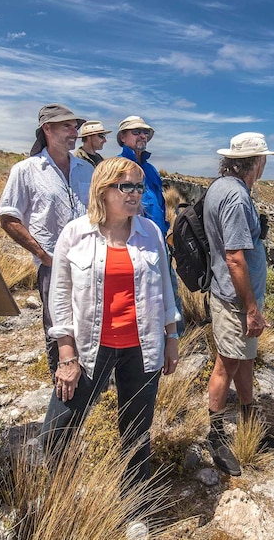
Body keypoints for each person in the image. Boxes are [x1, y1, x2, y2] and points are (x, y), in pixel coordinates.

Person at [40, 157, 180, 490]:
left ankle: (134, 505)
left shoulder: (151, 233)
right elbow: (59, 298)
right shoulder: (75, 234)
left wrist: (171, 336)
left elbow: (165, 288)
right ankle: (59, 494)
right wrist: (66, 355)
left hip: (141, 347)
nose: (135, 194)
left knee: (136, 432)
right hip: (90, 348)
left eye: (139, 187)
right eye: (126, 186)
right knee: (58, 428)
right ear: (103, 190)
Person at [0, 104, 94, 376]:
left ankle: (91, 379)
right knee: (59, 325)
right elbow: (8, 218)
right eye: (67, 126)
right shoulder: (26, 170)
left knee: (90, 320)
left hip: (90, 259)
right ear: (47, 129)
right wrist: (42, 255)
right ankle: (62, 383)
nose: (74, 132)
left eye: (75, 126)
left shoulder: (85, 169)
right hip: (53, 264)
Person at [202, 132, 274, 476]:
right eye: (265, 159)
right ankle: (215, 437)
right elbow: (234, 258)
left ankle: (250, 419)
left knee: (245, 358)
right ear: (257, 162)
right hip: (235, 299)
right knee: (227, 363)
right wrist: (250, 307)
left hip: (236, 296)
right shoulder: (234, 197)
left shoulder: (223, 186)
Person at [116, 115, 184, 334]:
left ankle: (176, 337)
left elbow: (160, 205)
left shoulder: (151, 170)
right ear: (123, 137)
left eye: (145, 132)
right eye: (136, 132)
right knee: (140, 291)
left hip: (159, 240)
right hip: (133, 241)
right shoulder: (117, 167)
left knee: (169, 288)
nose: (142, 136)